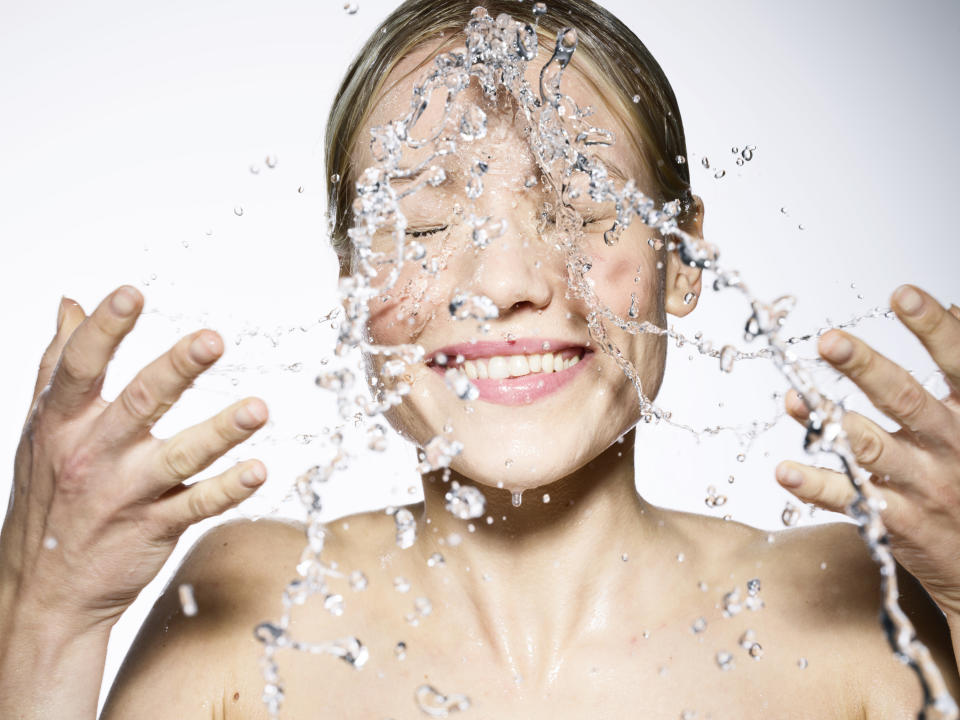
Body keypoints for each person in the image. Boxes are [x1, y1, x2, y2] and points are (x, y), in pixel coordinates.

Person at [2, 0, 958, 717]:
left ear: (683, 256)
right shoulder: (251, 608)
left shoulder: (857, 612)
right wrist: (45, 617)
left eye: (580, 206)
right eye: (419, 221)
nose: (503, 279)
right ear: (349, 277)